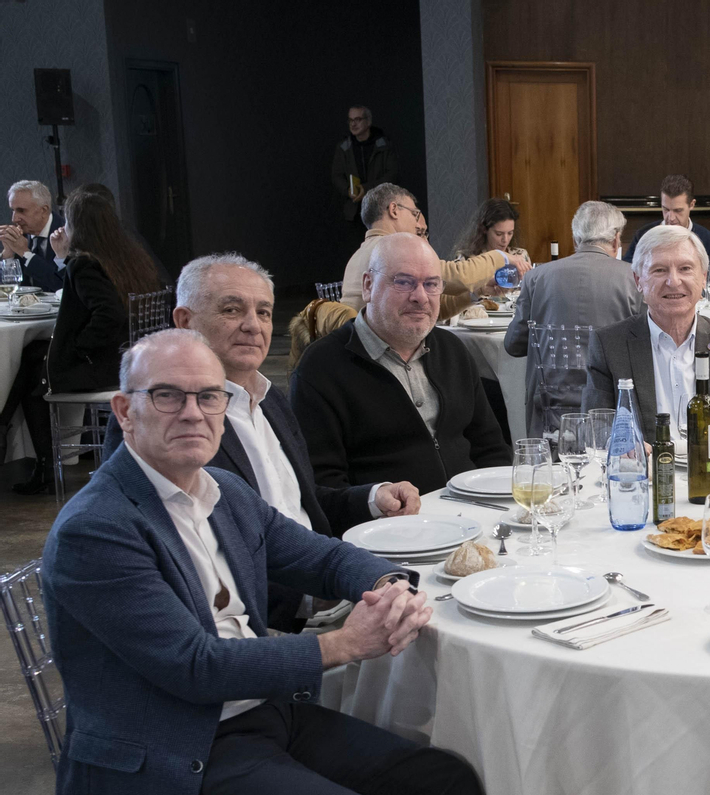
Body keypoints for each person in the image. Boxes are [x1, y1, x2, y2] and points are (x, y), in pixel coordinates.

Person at [44, 328, 658, 795]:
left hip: (258, 721)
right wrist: (342, 645)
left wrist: (386, 583)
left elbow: (313, 552)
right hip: (178, 755)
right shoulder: (98, 529)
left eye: (207, 395)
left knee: (443, 782)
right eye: (167, 396)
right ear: (123, 409)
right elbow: (194, 668)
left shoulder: (217, 490)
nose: (193, 412)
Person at [102, 253, 421, 629]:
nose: (253, 326)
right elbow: (189, 562)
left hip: (325, 584)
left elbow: (300, 506)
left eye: (265, 312)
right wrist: (316, 604)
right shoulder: (166, 422)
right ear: (185, 321)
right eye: (232, 310)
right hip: (264, 621)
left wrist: (372, 498)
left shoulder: (270, 400)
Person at [293, 233, 511, 493]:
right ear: (368, 286)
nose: (420, 297)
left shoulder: (453, 351)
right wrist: (374, 504)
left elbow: (491, 448)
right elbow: (321, 486)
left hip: (473, 515)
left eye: (431, 284)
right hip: (386, 526)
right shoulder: (321, 369)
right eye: (404, 282)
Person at [583, 225, 710, 465]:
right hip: (647, 476)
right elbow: (597, 427)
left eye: (685, 269)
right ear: (638, 281)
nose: (674, 281)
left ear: (703, 278)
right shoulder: (610, 345)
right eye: (659, 270)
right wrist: (621, 446)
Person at [8, 188, 161, 494]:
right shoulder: (130, 255)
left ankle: (44, 465)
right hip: (133, 357)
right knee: (33, 355)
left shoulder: (86, 263)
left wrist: (78, 347)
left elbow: (108, 315)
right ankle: (37, 458)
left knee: (35, 375)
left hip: (105, 366)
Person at [506, 201, 642, 439]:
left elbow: (513, 345)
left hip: (548, 416)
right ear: (616, 240)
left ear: (576, 239)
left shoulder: (536, 278)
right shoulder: (634, 279)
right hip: (614, 414)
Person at [340, 183, 528, 315]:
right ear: (394, 210)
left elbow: (430, 309)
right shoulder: (393, 250)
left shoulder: (359, 254)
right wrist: (501, 257)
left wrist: (478, 291)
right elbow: (457, 276)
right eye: (414, 214)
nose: (416, 224)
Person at [622, 174, 710, 268]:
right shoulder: (643, 235)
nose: (670, 218)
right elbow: (627, 272)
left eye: (678, 210)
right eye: (666, 209)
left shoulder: (708, 240)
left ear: (692, 205)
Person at [331, 106, 398, 237]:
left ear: (368, 121)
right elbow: (336, 175)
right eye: (350, 120)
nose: (353, 124)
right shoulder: (344, 147)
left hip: (381, 211)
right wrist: (348, 190)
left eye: (358, 119)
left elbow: (392, 175)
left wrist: (366, 189)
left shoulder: (383, 145)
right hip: (354, 212)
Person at [1, 179, 66, 292]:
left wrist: (25, 253)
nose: (14, 218)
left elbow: (62, 285)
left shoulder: (67, 234)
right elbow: (7, 291)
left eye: (21, 211)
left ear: (44, 211)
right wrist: (8, 255)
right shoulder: (18, 235)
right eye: (13, 210)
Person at [453, 197, 521, 264]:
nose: (505, 240)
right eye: (499, 234)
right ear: (484, 229)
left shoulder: (520, 256)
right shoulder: (467, 259)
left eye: (510, 233)